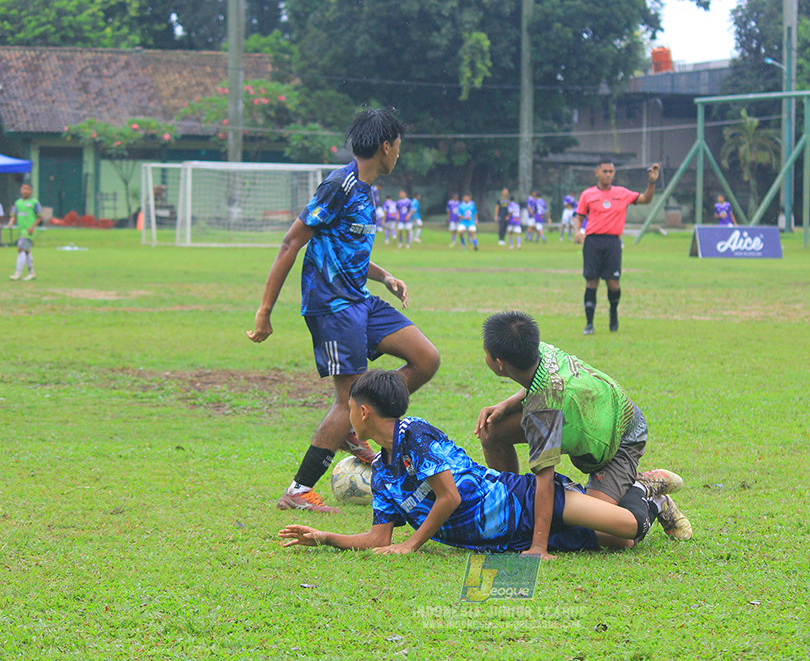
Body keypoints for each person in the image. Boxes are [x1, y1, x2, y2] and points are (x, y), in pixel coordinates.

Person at [247, 108, 441, 513]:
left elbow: (346, 250)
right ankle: (299, 490)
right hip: (332, 306)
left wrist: (384, 276)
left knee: (426, 358)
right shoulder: (339, 185)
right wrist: (265, 311)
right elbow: (291, 242)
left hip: (360, 300)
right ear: (385, 146)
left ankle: (358, 422)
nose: (399, 153)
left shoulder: (367, 191)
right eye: (398, 146)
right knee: (347, 398)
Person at [279, 369, 684, 556]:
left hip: (523, 501)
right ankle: (649, 498)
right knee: (621, 544)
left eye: (349, 408)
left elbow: (450, 497)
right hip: (511, 541)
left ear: (364, 412)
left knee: (628, 527)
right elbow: (378, 539)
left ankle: (644, 488)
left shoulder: (414, 433)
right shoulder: (383, 475)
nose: (348, 415)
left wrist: (412, 544)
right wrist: (325, 537)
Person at [474, 311, 691, 557]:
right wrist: (505, 405)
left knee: (605, 533)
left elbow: (545, 479)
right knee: (491, 430)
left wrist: (538, 547)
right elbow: (540, 385)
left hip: (621, 439)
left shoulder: (543, 412)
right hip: (587, 419)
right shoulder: (540, 351)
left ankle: (646, 491)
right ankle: (512, 506)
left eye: (485, 352)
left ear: (499, 363)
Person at [573, 159, 661, 335]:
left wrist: (651, 182)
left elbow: (646, 199)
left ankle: (613, 313)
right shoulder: (587, 194)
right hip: (592, 242)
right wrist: (577, 231)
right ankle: (589, 324)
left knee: (613, 284)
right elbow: (579, 216)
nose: (608, 174)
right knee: (591, 282)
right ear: (597, 173)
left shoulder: (622, 193)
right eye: (605, 171)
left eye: (611, 171)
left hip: (613, 242)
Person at [8, 183, 42, 281]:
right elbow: (14, 215)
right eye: (23, 188)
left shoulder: (34, 202)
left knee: (20, 249)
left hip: (29, 231)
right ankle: (32, 273)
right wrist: (11, 222)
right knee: (26, 251)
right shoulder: (17, 203)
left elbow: (40, 217)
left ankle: (17, 274)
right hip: (21, 230)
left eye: (27, 189)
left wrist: (32, 227)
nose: (25, 191)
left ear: (31, 191)